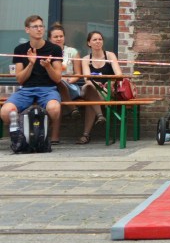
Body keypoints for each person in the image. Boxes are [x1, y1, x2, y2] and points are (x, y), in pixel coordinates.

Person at [0, 15, 63, 146]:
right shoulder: (20, 50)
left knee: (54, 109)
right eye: (35, 27)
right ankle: (21, 132)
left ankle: (39, 131)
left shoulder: (55, 49)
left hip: (48, 89)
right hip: (26, 90)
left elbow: (57, 78)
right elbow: (20, 79)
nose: (39, 29)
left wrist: (48, 66)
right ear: (27, 30)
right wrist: (30, 64)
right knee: (5, 113)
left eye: (41, 26)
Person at [78, 31, 122, 144]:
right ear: (89, 43)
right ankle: (100, 115)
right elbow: (87, 79)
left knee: (90, 102)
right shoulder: (86, 59)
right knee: (89, 88)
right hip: (93, 89)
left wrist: (108, 84)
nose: (98, 42)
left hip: (107, 91)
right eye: (94, 40)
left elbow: (118, 75)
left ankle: (86, 134)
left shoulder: (110, 56)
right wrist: (98, 86)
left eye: (100, 39)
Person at [48, 22, 83, 122]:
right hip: (51, 87)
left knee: (60, 82)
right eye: (55, 37)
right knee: (58, 81)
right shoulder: (46, 52)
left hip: (69, 86)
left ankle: (70, 109)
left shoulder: (73, 52)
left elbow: (78, 74)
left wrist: (70, 80)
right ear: (50, 39)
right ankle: (72, 109)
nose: (59, 39)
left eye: (61, 36)